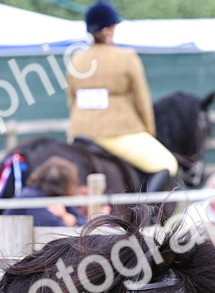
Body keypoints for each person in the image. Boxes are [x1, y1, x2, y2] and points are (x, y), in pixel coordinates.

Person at [67, 2, 177, 195]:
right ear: (110, 28)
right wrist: (148, 131)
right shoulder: (126, 57)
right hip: (117, 133)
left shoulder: (76, 60)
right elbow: (141, 99)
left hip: (79, 133)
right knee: (167, 163)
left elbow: (71, 100)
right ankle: (149, 211)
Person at [5, 156, 88, 228]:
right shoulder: (33, 200)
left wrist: (68, 218)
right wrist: (68, 221)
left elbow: (83, 224)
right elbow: (54, 232)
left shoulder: (54, 198)